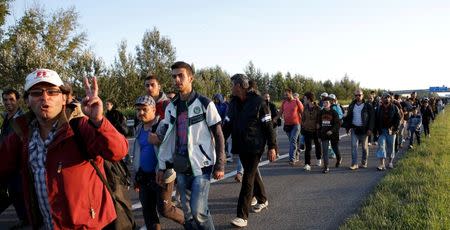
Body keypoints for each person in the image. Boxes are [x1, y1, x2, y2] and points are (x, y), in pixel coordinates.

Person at [0, 69, 128, 229]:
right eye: (36, 93)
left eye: (52, 92)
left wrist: (98, 121)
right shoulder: (21, 134)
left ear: (64, 98)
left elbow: (118, 151)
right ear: (27, 100)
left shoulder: (80, 126)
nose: (44, 97)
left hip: (88, 226)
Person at [156, 61, 225, 230]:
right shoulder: (171, 107)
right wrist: (162, 166)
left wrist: (220, 164)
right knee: (187, 214)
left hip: (202, 166)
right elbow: (167, 140)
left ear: (191, 78)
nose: (177, 80)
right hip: (180, 165)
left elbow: (219, 134)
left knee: (198, 211)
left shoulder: (205, 103)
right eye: (174, 76)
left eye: (181, 76)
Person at [223, 74, 277, 228]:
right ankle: (263, 199)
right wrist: (217, 141)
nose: (231, 87)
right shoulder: (233, 104)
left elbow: (268, 126)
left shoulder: (259, 102)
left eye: (233, 84)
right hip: (241, 145)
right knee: (251, 173)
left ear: (240, 86)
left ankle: (242, 216)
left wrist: (272, 147)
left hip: (255, 146)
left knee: (247, 178)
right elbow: (227, 124)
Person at [132, 95, 184, 229]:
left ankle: (189, 221)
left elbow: (173, 146)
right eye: (138, 110)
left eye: (144, 109)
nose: (140, 113)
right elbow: (137, 153)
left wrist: (159, 140)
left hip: (161, 175)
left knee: (164, 209)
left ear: (154, 109)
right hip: (144, 176)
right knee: (148, 211)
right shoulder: (138, 128)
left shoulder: (163, 125)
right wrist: (136, 176)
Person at [0, 89, 28, 228]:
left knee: (20, 192)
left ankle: (27, 220)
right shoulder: (6, 118)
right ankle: (23, 218)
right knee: (13, 192)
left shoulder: (22, 118)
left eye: (11, 99)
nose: (8, 102)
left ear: (18, 100)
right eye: (5, 100)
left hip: (19, 164)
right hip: (7, 163)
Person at [343, 89, 374, 170]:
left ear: (362, 95)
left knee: (364, 148)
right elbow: (349, 117)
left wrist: (370, 129)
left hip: (364, 130)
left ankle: (364, 162)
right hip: (354, 129)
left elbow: (372, 118)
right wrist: (347, 127)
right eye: (356, 95)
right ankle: (354, 164)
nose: (357, 97)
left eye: (359, 95)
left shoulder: (367, 106)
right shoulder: (352, 105)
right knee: (354, 146)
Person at [276, 88, 304, 165]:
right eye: (284, 94)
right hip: (287, 125)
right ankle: (297, 152)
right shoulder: (284, 102)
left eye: (286, 94)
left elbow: (303, 113)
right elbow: (280, 112)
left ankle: (292, 159)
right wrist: (274, 119)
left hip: (296, 124)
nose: (285, 96)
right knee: (292, 141)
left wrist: (304, 123)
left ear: (290, 93)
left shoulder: (297, 102)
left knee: (293, 141)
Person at [374, 92, 401, 170]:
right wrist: (376, 131)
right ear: (382, 99)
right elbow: (376, 120)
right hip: (381, 130)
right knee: (381, 146)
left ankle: (390, 162)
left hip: (391, 131)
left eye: (388, 97)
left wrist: (394, 129)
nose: (386, 98)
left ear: (390, 99)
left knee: (391, 147)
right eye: (385, 97)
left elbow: (398, 120)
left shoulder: (395, 108)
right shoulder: (378, 108)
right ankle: (382, 164)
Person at [318, 97, 341, 173]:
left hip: (333, 134)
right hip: (324, 134)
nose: (325, 104)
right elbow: (318, 125)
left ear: (330, 104)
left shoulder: (334, 112)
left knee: (335, 148)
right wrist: (319, 135)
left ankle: (339, 159)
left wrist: (332, 131)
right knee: (325, 150)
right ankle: (326, 167)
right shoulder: (321, 113)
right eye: (324, 103)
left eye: (326, 103)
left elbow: (338, 124)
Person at [300, 92, 322, 171]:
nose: (304, 100)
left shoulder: (318, 108)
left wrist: (318, 124)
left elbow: (320, 119)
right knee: (308, 148)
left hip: (316, 131)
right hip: (307, 130)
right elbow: (303, 118)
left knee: (317, 145)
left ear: (309, 99)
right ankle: (307, 164)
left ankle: (319, 158)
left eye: (305, 98)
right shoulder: (305, 107)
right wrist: (303, 126)